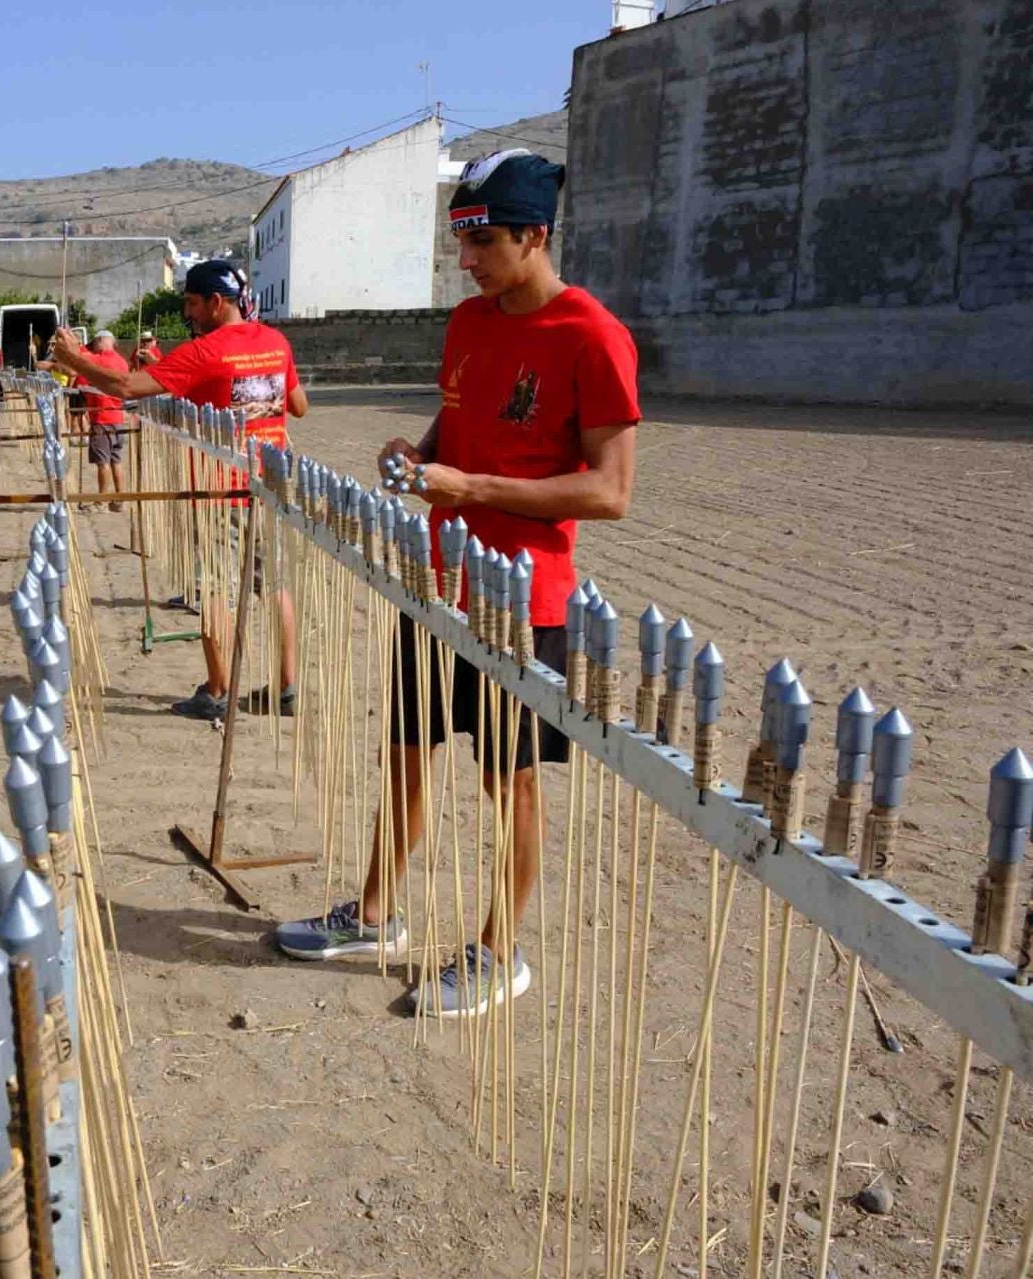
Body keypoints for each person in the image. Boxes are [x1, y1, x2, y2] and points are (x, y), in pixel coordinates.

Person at [273, 150, 641, 1020]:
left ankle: (498, 950)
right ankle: (373, 914)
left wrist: (473, 489)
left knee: (506, 781)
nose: (466, 262)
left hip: (523, 603)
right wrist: (420, 453)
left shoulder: (593, 336)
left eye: (481, 243)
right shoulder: (470, 324)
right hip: (438, 587)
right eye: (460, 241)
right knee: (403, 752)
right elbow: (458, 417)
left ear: (535, 235)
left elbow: (609, 490)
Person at [51, 259, 304, 720]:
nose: (187, 312)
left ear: (215, 302)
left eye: (191, 303)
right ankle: (287, 687)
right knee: (276, 585)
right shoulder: (276, 341)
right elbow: (298, 405)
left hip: (219, 488)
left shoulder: (208, 349)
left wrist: (74, 360)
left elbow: (127, 386)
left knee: (215, 590)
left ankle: (219, 689)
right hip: (271, 481)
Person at [73, 331, 131, 510]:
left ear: (100, 342)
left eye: (95, 343)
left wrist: (74, 345)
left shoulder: (98, 360)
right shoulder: (122, 362)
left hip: (102, 418)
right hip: (118, 417)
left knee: (103, 462)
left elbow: (76, 362)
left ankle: (101, 501)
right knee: (116, 461)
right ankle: (119, 499)